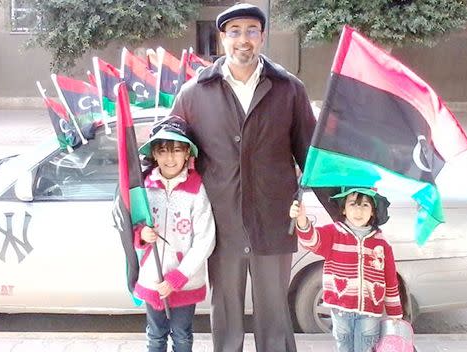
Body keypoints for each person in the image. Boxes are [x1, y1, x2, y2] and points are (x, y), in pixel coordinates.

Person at [170, 3, 318, 351]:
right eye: (234, 32)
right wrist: (145, 201)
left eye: (252, 31)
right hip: (220, 227)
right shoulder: (194, 93)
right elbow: (172, 153)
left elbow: (311, 155)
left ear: (262, 36)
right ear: (222, 38)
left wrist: (346, 208)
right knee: (225, 320)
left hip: (273, 222)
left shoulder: (288, 89)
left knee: (275, 323)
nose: (243, 40)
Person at [133, 115, 216, 352]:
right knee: (155, 335)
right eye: (163, 151)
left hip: (185, 281)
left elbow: (205, 239)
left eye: (177, 150)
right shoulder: (144, 188)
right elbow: (131, 227)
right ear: (155, 154)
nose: (170, 158)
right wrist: (142, 235)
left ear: (188, 153)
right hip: (153, 277)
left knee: (181, 335)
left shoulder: (197, 189)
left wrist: (178, 277)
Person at [289, 187, 403, 352]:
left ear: (373, 211)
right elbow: (312, 241)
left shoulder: (382, 243)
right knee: (344, 347)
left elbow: (390, 279)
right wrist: (301, 219)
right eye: (352, 204)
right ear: (343, 208)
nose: (358, 210)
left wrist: (394, 313)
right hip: (340, 311)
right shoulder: (334, 233)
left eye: (365, 205)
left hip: (370, 313)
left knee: (365, 347)